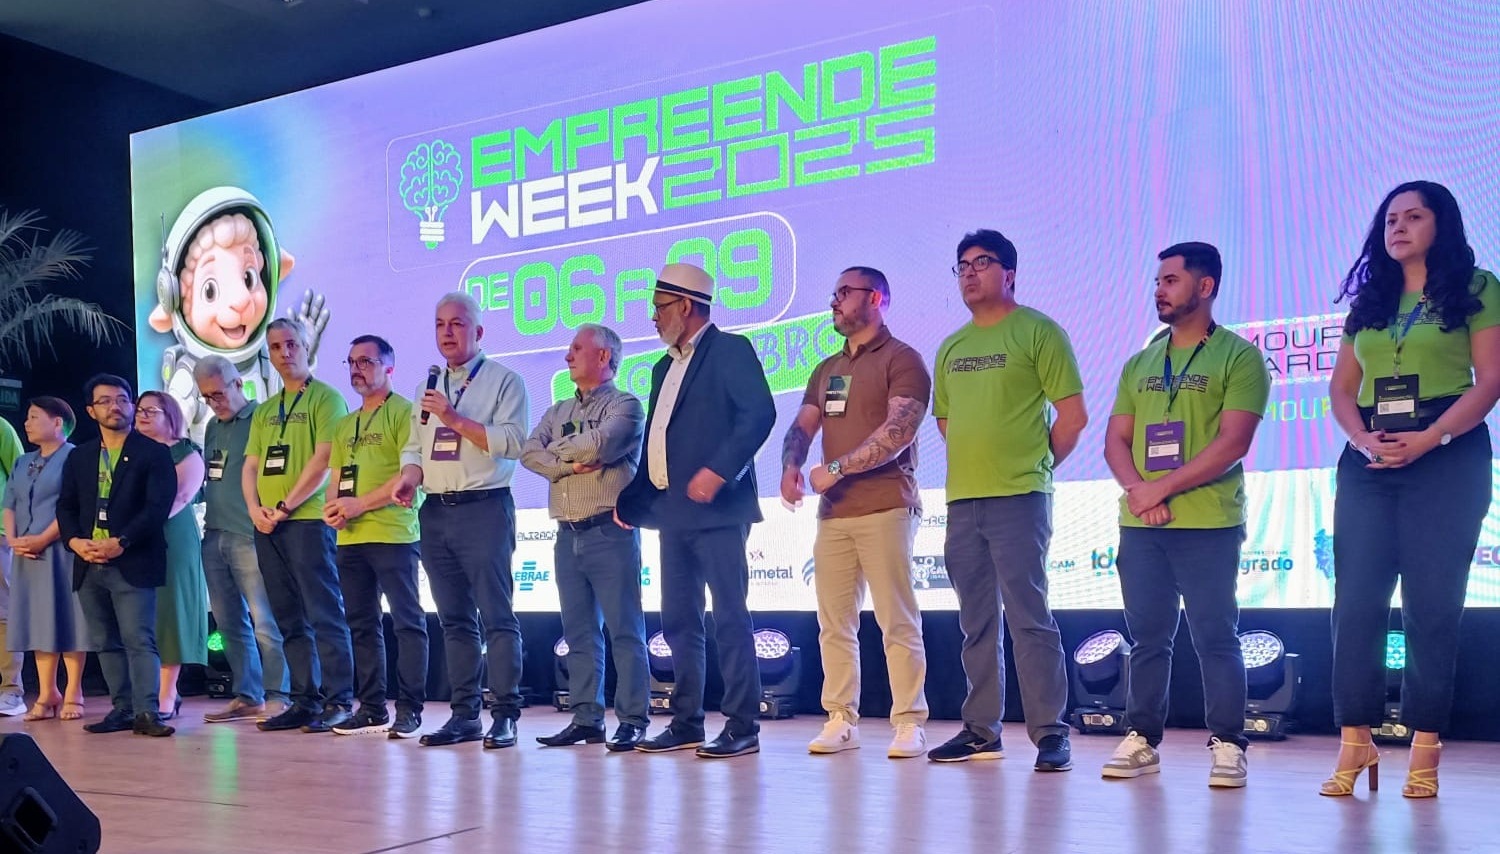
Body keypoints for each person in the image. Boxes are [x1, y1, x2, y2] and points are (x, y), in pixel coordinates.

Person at [1323, 181, 1500, 798]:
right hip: (1370, 452)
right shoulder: (1371, 300)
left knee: (1432, 604)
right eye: (1390, 219)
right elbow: (1342, 388)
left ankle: (1425, 746)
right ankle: (1355, 742)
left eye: (1413, 217)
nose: (1397, 227)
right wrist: (1361, 439)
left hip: (1447, 449)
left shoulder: (1478, 288)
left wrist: (1431, 438)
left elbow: (1490, 380)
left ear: (1440, 224)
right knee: (1356, 602)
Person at [1100, 241, 1270, 788]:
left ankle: (1228, 743)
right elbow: (1115, 440)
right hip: (1142, 525)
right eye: (1157, 282)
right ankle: (1142, 738)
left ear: (1205, 286)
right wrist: (1138, 492)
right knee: (1148, 638)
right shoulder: (1140, 362)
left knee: (1215, 636)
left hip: (1209, 522)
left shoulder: (1239, 357)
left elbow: (1233, 443)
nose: (1159, 290)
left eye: (1170, 280)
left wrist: (1160, 489)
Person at [928, 230, 1087, 770]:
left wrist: (1035, 465)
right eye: (962, 265)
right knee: (976, 623)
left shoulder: (1039, 331)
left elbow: (1073, 416)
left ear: (1010, 274)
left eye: (982, 262)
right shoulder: (951, 346)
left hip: (1020, 497)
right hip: (962, 501)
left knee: (1029, 618)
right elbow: (947, 421)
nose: (970, 273)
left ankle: (1050, 733)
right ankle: (981, 731)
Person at [618, 262, 776, 759]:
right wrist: (634, 497)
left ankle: (743, 725)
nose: (653, 317)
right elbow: (657, 441)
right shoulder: (662, 368)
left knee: (729, 617)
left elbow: (760, 415)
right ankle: (686, 721)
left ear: (686, 306)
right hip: (672, 512)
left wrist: (718, 471)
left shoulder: (731, 350)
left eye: (660, 308)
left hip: (719, 511)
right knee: (678, 621)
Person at [780, 266, 931, 759]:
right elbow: (804, 424)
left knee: (896, 621)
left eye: (845, 292)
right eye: (834, 292)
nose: (834, 301)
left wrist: (837, 467)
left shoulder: (902, 358)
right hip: (834, 515)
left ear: (876, 298)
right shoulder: (828, 368)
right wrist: (791, 465)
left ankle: (909, 721)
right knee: (835, 623)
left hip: (886, 505)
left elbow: (898, 433)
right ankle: (841, 718)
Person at [392, 292, 529, 750]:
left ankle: (505, 715)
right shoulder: (426, 388)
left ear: (479, 332)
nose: (446, 332)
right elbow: (414, 447)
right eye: (439, 324)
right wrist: (409, 477)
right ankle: (465, 715)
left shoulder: (505, 381)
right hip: (435, 510)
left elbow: (513, 442)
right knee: (454, 620)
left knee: (497, 617)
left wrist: (452, 417)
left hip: (484, 508)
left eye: (456, 323)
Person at [521, 324, 650, 752]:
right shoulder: (557, 409)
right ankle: (586, 719)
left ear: (604, 356)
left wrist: (559, 451)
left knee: (624, 631)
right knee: (578, 634)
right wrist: (570, 465)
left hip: (609, 531)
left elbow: (600, 445)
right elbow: (528, 453)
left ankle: (632, 720)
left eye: (577, 348)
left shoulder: (626, 405)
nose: (567, 356)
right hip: (566, 533)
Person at [243, 317, 354, 733]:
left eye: (291, 344)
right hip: (268, 526)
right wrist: (254, 509)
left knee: (324, 613)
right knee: (288, 617)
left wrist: (286, 506)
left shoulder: (327, 398)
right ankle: (305, 700)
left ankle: (338, 699)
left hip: (307, 521)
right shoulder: (265, 410)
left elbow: (324, 461)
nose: (284, 352)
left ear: (307, 347)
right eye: (275, 347)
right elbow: (250, 465)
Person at [56, 374, 177, 736]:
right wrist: (74, 542)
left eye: (123, 399)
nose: (115, 407)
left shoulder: (153, 452)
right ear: (91, 410)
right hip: (88, 560)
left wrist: (121, 541)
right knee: (104, 642)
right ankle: (122, 709)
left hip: (133, 559)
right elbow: (66, 506)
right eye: (105, 401)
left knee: (139, 639)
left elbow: (157, 507)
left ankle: (147, 712)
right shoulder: (80, 456)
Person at [323, 335, 428, 738]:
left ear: (389, 367)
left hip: (394, 534)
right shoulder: (344, 424)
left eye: (366, 361)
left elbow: (407, 475)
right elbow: (336, 479)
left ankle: (410, 708)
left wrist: (358, 505)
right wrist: (333, 509)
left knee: (407, 622)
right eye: (351, 362)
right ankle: (371, 708)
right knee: (362, 625)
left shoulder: (404, 412)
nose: (357, 369)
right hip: (350, 538)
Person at [194, 354, 291, 722]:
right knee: (228, 621)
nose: (213, 403)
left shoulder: (263, 417)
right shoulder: (211, 427)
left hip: (250, 535)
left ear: (238, 383)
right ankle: (248, 694)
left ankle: (279, 694)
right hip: (214, 534)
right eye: (206, 397)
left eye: (218, 394)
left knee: (265, 620)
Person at [3, 400, 88, 720]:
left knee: (69, 617)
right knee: (38, 620)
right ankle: (47, 691)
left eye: (34, 417)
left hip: (61, 549)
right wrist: (13, 539)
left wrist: (43, 538)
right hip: (26, 552)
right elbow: (9, 503)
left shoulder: (75, 457)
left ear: (57, 423)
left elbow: (75, 506)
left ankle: (74, 691)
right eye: (27, 417)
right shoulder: (23, 461)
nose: (26, 423)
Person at [134, 391, 210, 720]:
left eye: (152, 410)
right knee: (139, 613)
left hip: (171, 535)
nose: (143, 415)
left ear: (171, 416)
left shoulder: (185, 452)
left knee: (170, 610)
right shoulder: (130, 452)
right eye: (140, 410)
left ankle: (168, 692)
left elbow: (178, 498)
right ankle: (144, 691)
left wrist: (136, 526)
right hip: (135, 537)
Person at [0, 414, 25, 716]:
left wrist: (13, 533)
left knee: (4, 614)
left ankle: (11, 690)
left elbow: (20, 481)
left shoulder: (1, 427)